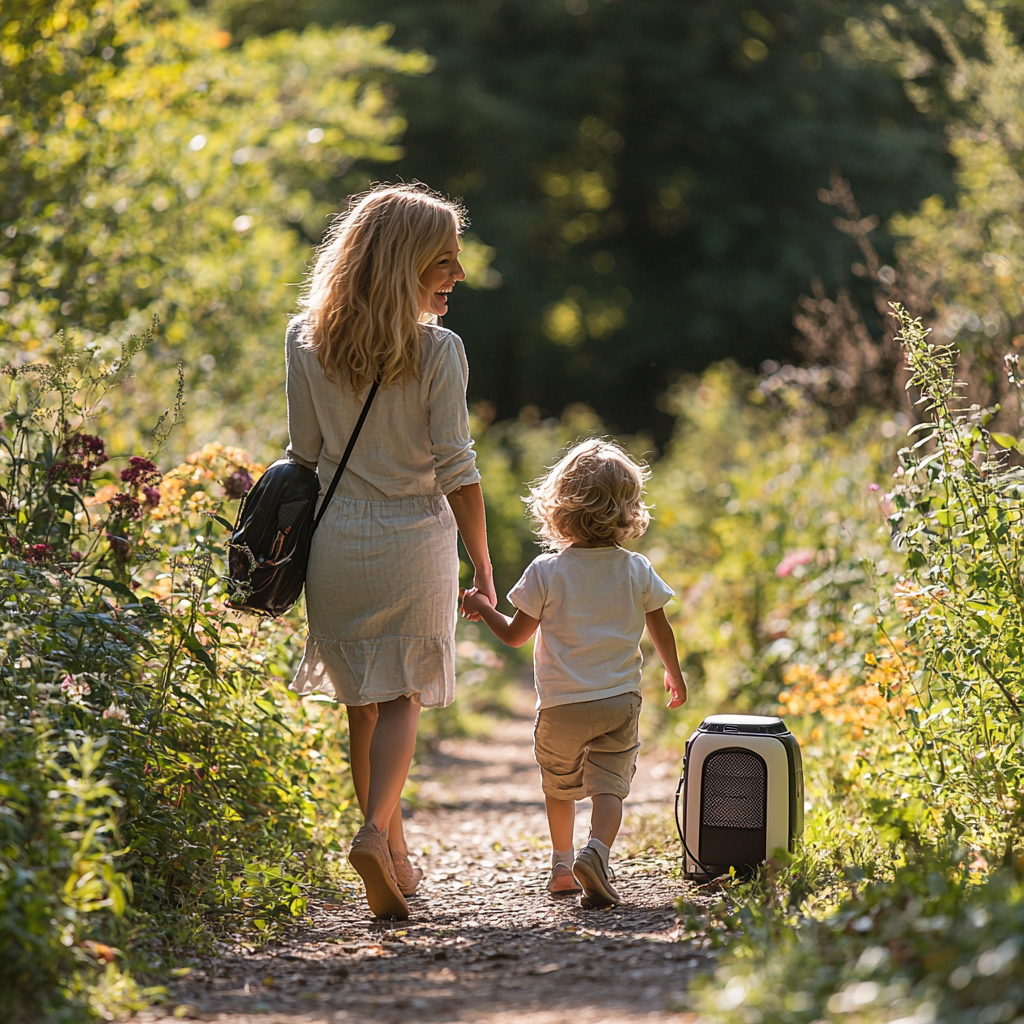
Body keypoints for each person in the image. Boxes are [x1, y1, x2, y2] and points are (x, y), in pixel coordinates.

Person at [285, 183, 496, 920]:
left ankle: (396, 860)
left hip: (337, 538)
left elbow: (303, 456)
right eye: (445, 261)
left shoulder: (304, 338)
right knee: (401, 693)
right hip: (414, 536)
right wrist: (484, 566)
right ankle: (375, 834)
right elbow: (457, 469)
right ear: (405, 263)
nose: (458, 276)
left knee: (360, 708)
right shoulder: (439, 350)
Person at [462, 438, 685, 908]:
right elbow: (659, 627)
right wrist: (674, 675)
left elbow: (515, 636)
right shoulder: (636, 569)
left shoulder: (546, 570)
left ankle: (562, 865)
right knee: (610, 784)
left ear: (558, 508)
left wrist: (484, 606)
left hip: (561, 705)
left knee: (559, 785)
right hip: (617, 701)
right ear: (628, 510)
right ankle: (597, 853)